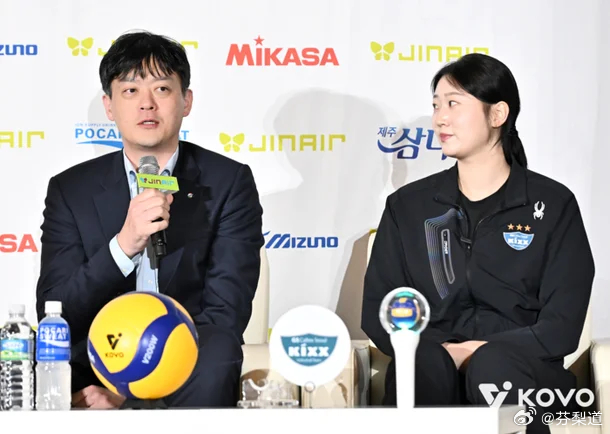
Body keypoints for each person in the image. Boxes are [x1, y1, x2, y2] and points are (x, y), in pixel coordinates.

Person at [361, 53, 595, 433]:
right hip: (433, 365)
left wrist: (481, 352)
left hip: (525, 372)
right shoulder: (408, 207)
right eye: (436, 105)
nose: (440, 118)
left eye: (454, 103)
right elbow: (379, 310)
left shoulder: (553, 205)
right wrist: (444, 350)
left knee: (494, 366)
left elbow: (563, 324)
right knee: (424, 363)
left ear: (497, 114)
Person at [36, 31, 264, 409]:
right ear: (109, 106)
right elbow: (57, 312)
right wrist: (124, 246)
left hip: (185, 357)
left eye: (161, 89)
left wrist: (129, 399)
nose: (147, 104)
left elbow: (225, 312)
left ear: (186, 101)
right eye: (130, 91)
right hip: (99, 356)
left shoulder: (227, 182)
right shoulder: (70, 190)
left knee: (219, 351)